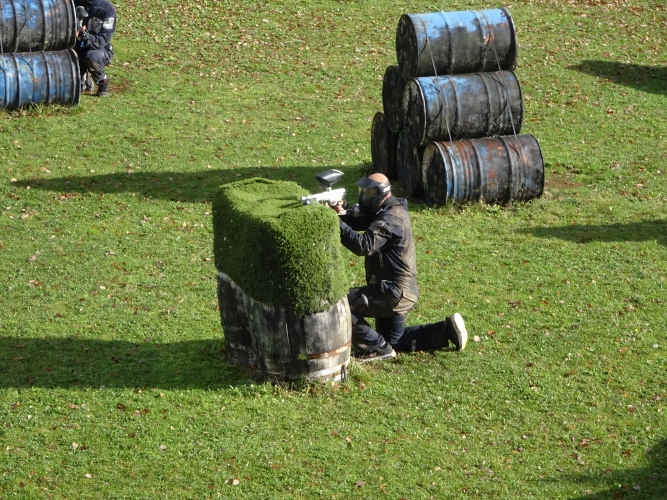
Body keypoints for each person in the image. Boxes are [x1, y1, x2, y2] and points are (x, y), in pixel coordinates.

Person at [332, 173, 467, 361]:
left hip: (392, 293)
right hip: (399, 290)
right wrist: (342, 212)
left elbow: (363, 245)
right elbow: (361, 221)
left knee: (341, 303)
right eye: (363, 191)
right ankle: (446, 330)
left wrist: (334, 221)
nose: (364, 196)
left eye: (368, 192)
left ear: (382, 193)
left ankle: (376, 348)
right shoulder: (388, 209)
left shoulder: (391, 218)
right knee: (393, 340)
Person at [75, 0, 116, 97]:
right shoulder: (74, 3)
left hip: (99, 49)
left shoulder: (107, 9)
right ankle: (84, 79)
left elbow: (103, 39)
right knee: (77, 88)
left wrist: (87, 37)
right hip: (76, 47)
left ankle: (102, 82)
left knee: (92, 57)